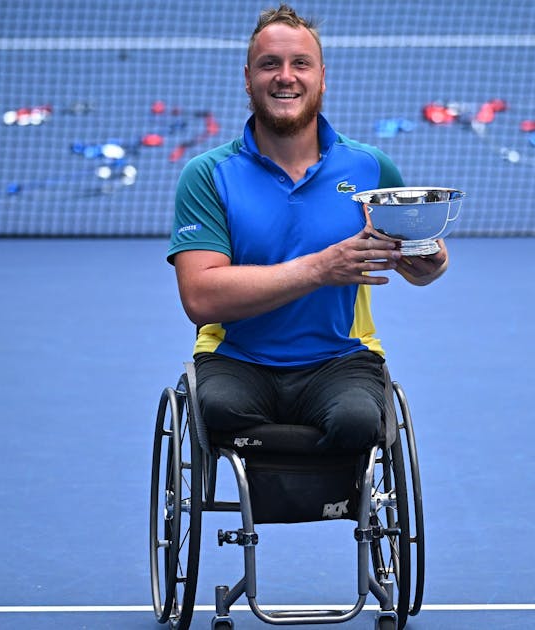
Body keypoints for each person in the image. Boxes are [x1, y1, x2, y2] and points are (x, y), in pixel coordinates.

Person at [166, 3, 449, 451]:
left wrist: (427, 262)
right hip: (237, 358)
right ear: (247, 78)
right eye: (269, 64)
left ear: (322, 76)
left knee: (360, 421)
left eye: (300, 63)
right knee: (217, 412)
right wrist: (321, 268)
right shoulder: (207, 174)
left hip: (341, 358)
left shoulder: (371, 169)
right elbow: (200, 298)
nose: (285, 76)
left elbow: (417, 262)